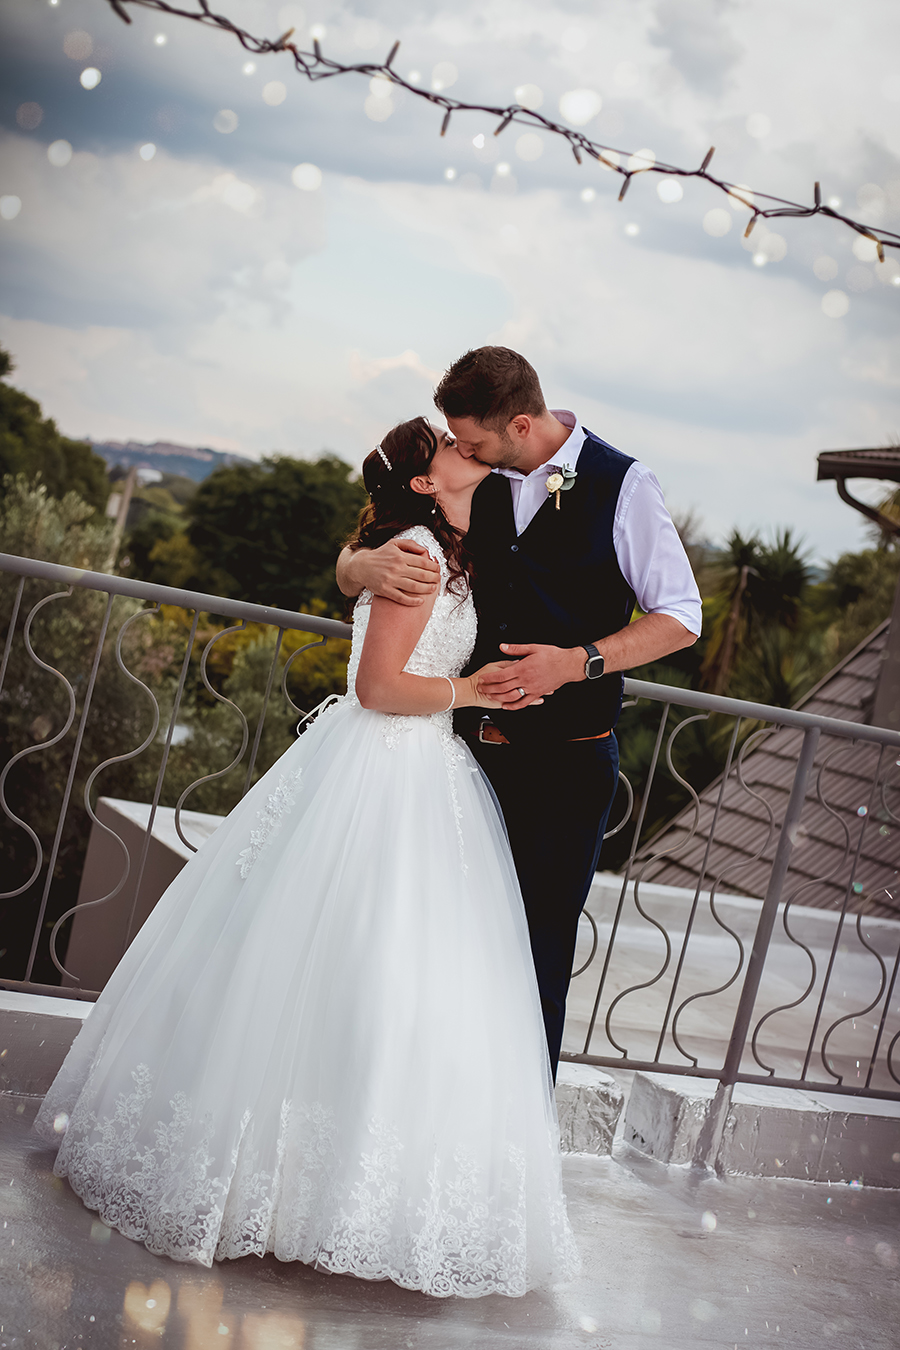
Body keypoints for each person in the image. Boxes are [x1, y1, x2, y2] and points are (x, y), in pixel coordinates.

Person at [34, 416, 580, 1299]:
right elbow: (376, 687)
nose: (466, 448)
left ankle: (333, 1190)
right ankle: (281, 1189)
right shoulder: (418, 553)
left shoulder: (454, 538)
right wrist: (468, 690)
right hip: (390, 762)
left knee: (388, 976)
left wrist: (352, 565)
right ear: (424, 480)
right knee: (345, 965)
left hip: (418, 768)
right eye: (448, 444)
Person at [337, 348, 702, 1077]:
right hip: (460, 759)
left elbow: (682, 616)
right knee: (441, 945)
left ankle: (516, 1145)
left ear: (523, 423)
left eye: (469, 441)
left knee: (533, 957)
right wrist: (353, 567)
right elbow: (395, 530)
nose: (460, 451)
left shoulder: (623, 486)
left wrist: (578, 662)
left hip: (566, 768)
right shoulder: (476, 480)